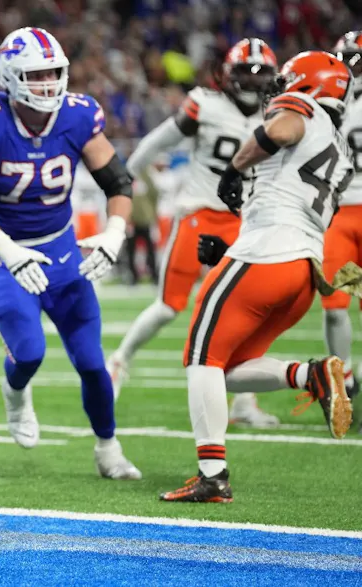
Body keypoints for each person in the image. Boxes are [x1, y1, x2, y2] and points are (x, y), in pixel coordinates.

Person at [160, 51, 356, 503]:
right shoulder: (341, 150)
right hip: (301, 273)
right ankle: (309, 373)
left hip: (267, 257)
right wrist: (234, 248)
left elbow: (281, 129)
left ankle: (212, 475)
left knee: (200, 360)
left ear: (308, 86)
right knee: (223, 371)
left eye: (288, 81)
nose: (278, 89)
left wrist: (234, 167)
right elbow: (291, 207)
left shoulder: (303, 111)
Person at [0, 27, 140, 479]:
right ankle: (15, 393)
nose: (48, 83)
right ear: (11, 77)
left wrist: (114, 234)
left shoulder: (77, 116)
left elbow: (119, 182)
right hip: (5, 255)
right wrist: (4, 248)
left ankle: (108, 448)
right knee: (30, 353)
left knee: (93, 362)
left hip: (61, 250)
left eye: (54, 72)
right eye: (36, 75)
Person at [108, 39, 280, 427]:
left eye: (260, 74)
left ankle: (243, 401)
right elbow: (157, 141)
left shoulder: (277, 113)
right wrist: (125, 179)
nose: (253, 82)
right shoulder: (206, 104)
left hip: (244, 222)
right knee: (169, 305)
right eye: (245, 73)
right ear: (228, 76)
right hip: (200, 214)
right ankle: (119, 361)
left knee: (245, 312)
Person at [321, 31, 362, 401]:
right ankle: (343, 380)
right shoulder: (326, 101)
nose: (350, 68)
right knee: (335, 305)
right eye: (344, 58)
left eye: (356, 59)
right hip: (339, 216)